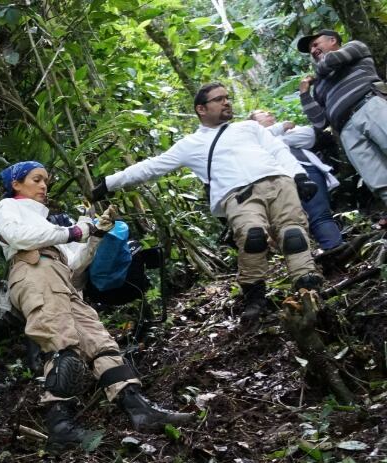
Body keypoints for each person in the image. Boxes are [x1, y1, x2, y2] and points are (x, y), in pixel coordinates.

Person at [0, 162, 194, 446]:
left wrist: (96, 234)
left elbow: (74, 264)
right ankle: (60, 426)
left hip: (62, 279)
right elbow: (19, 237)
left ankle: (138, 408)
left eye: (45, 181)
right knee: (62, 345)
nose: (43, 186)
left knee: (100, 342)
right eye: (36, 179)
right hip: (33, 274)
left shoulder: (48, 222)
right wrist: (76, 232)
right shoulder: (9, 209)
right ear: (16, 184)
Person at [91, 82, 323, 324]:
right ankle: (255, 298)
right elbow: (151, 166)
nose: (227, 102)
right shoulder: (191, 144)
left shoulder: (250, 127)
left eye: (227, 97)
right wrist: (109, 182)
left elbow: (278, 150)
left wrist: (299, 175)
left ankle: (308, 287)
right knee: (252, 237)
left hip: (280, 183)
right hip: (239, 195)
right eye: (219, 99)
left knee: (293, 235)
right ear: (201, 109)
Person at [297, 29, 387, 220]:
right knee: (377, 178)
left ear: (333, 40)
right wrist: (305, 94)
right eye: (310, 49)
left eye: (316, 44)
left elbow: (330, 62)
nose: (313, 50)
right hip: (346, 129)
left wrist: (317, 72)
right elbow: (320, 121)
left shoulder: (355, 48)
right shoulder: (320, 86)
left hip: (369, 106)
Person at [248, 109, 344, 250]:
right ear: (253, 123)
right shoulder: (251, 137)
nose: (268, 113)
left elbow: (309, 135)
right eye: (262, 113)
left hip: (306, 171)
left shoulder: (286, 131)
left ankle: (334, 248)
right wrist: (279, 133)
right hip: (277, 178)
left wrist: (276, 140)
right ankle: (326, 252)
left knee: (319, 213)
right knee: (292, 222)